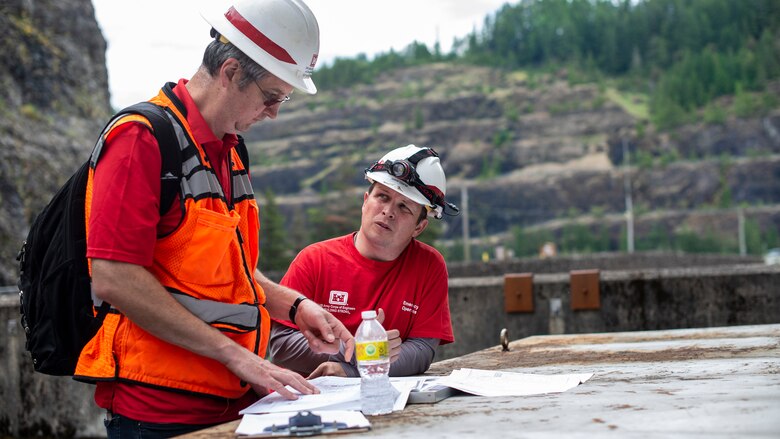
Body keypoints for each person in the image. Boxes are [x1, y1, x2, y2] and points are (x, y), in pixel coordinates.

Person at [73, 1, 354, 437]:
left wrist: (295, 306)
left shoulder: (231, 149)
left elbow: (224, 272)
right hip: (159, 413)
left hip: (235, 403)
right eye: (271, 96)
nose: (275, 112)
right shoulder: (141, 140)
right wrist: (238, 357)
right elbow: (114, 277)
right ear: (230, 72)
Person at [269, 144, 459, 378]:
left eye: (403, 207)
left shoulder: (428, 265)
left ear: (419, 227)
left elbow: (421, 350)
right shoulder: (314, 260)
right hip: (307, 398)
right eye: (382, 197)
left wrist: (351, 369)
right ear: (365, 201)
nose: (388, 211)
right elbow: (280, 345)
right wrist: (356, 350)